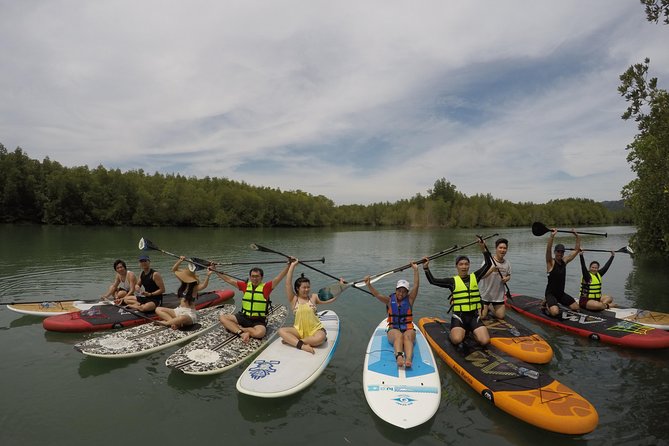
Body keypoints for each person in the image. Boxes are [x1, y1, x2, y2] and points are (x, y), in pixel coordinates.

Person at [423, 238, 492, 347]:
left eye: (466, 264)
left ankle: (471, 331)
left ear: (469, 265)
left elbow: (488, 264)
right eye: (461, 264)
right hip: (460, 317)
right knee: (456, 340)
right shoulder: (452, 281)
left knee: (484, 341)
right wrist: (426, 268)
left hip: (474, 316)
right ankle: (456, 332)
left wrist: (483, 248)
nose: (464, 267)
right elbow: (433, 281)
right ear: (456, 266)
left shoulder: (475, 276)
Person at [216, 260, 291, 343]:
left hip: (258, 320)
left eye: (257, 276)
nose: (254, 278)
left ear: (261, 277)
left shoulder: (266, 287)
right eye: (252, 276)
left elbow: (278, 278)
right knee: (222, 318)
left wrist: (288, 266)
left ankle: (238, 329)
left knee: (260, 333)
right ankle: (242, 333)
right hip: (243, 317)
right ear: (250, 277)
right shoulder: (245, 286)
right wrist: (215, 270)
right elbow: (229, 280)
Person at [364, 262, 419, 368]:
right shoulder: (389, 301)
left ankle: (408, 359)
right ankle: (399, 357)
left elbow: (416, 285)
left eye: (404, 292)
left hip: (408, 328)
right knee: (398, 336)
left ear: (407, 293)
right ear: (395, 290)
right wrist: (369, 284)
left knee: (407, 337)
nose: (401, 294)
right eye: (399, 291)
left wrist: (415, 270)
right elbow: (377, 294)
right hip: (393, 329)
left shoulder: (410, 300)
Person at [278, 258, 338, 354]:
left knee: (321, 338)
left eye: (308, 287)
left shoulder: (313, 297)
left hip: (315, 330)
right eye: (304, 287)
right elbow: (288, 284)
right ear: (297, 288)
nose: (307, 289)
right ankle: (302, 346)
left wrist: (341, 286)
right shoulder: (293, 299)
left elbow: (330, 298)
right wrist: (292, 265)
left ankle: (294, 342)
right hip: (298, 331)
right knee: (281, 331)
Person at [155, 256, 213, 329]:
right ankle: (173, 322)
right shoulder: (183, 284)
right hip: (178, 310)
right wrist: (180, 260)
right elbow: (174, 270)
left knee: (182, 318)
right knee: (158, 309)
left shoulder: (195, 288)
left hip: (188, 314)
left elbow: (204, 285)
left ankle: (167, 323)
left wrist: (208, 276)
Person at [544, 228, 581, 317]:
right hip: (551, 294)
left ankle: (555, 303)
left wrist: (577, 236)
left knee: (576, 307)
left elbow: (576, 250)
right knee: (555, 313)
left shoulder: (565, 261)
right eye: (558, 252)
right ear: (555, 252)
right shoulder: (550, 262)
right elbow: (548, 250)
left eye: (562, 252)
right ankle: (546, 305)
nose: (560, 253)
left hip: (561, 294)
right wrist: (552, 236)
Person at [479, 238, 511, 320]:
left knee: (501, 316)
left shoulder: (507, 263)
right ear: (496, 248)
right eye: (500, 248)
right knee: (482, 316)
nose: (502, 250)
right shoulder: (488, 261)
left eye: (504, 248)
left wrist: (506, 278)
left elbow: (509, 275)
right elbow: (481, 276)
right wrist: (491, 270)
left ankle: (490, 307)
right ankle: (486, 306)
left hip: (498, 296)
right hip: (485, 295)